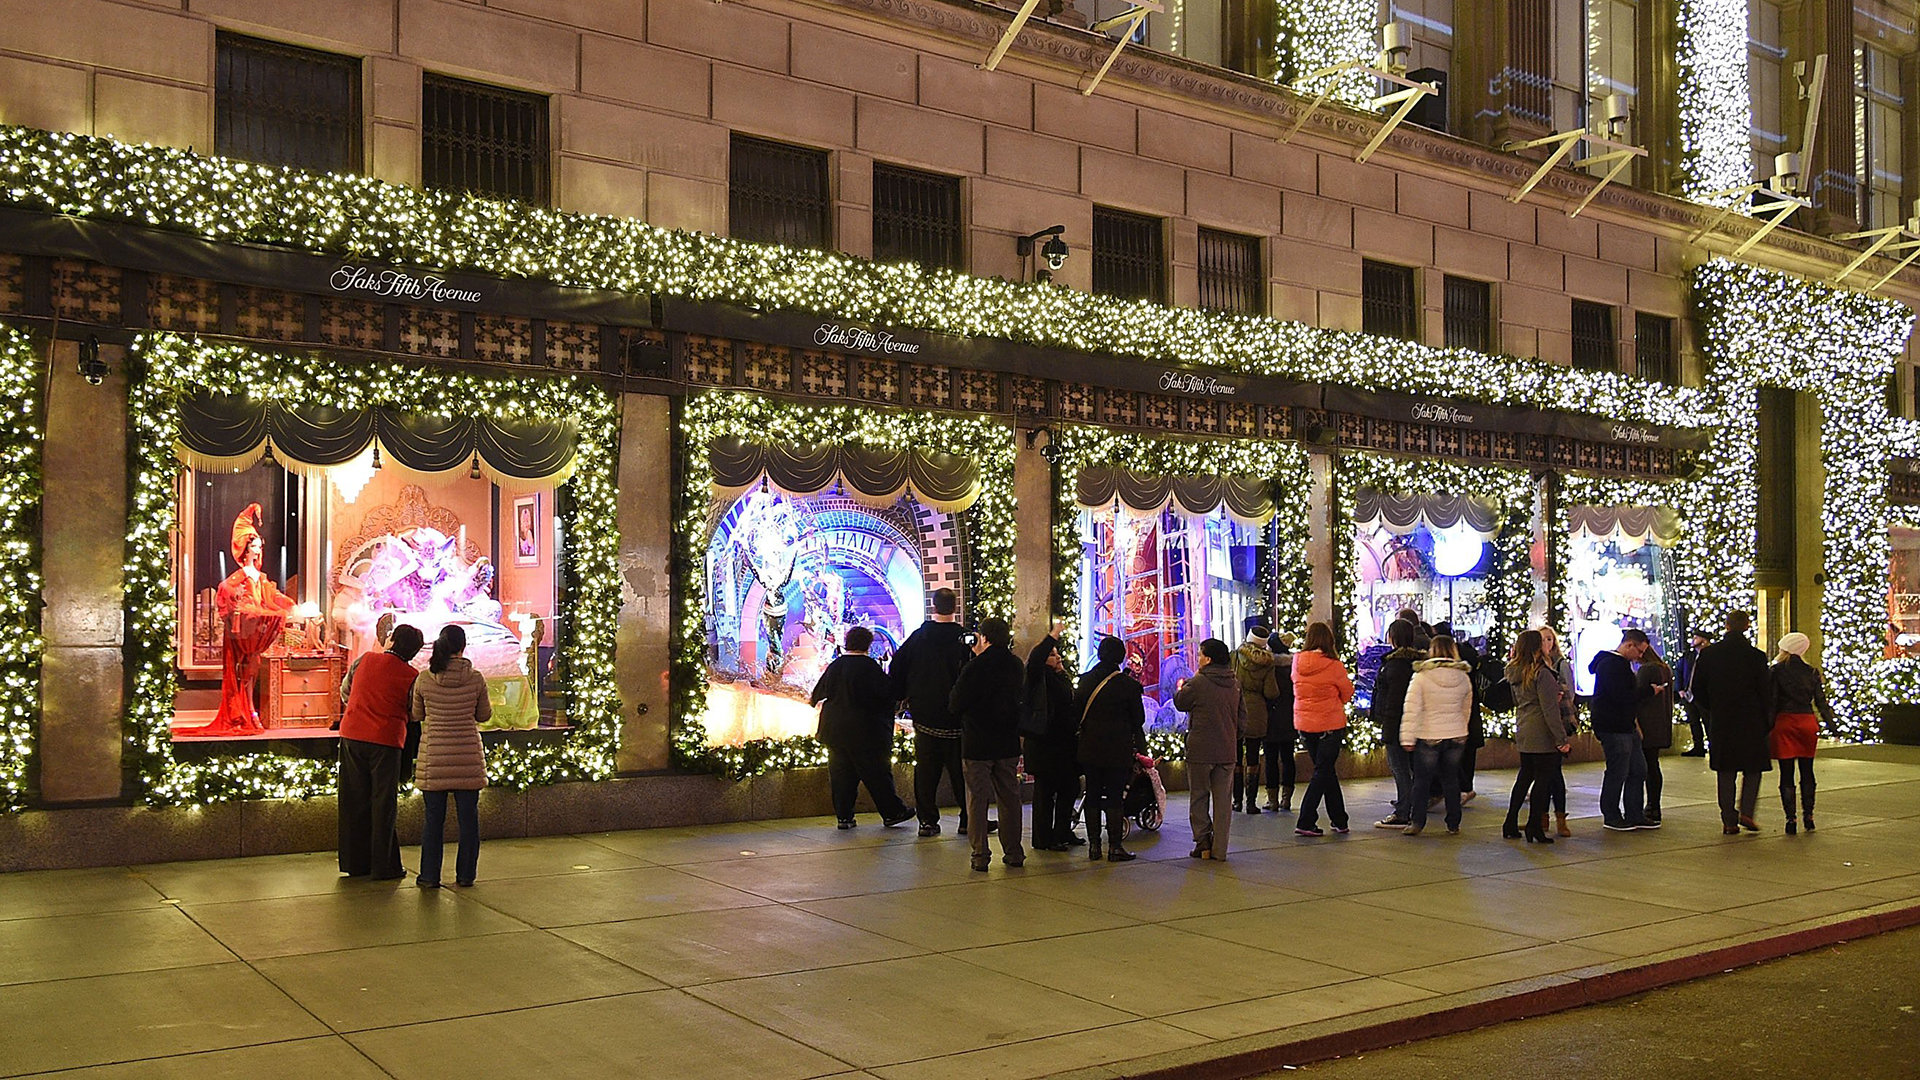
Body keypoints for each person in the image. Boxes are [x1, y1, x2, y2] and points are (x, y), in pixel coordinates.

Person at [191, 503, 296, 735]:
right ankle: (243, 713)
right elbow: (227, 593)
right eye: (255, 546)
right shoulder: (239, 577)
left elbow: (272, 596)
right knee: (242, 674)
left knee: (251, 673)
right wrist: (243, 608)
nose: (259, 550)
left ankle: (249, 711)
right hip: (243, 633)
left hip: (254, 634)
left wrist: (291, 606)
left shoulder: (259, 576)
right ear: (246, 550)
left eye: (259, 546)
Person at [337, 623, 425, 880]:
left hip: (352, 734)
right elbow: (414, 712)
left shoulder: (364, 660)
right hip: (387, 740)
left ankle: (355, 863)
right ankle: (383, 866)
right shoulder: (412, 675)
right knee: (383, 804)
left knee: (353, 800)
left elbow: (346, 693)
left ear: (392, 640)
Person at [811, 626, 916, 830]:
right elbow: (889, 694)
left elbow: (817, 694)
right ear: (867, 645)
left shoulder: (836, 665)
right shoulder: (869, 667)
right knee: (877, 774)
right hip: (865, 732)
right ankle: (892, 812)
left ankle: (844, 817)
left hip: (835, 731)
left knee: (841, 776)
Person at [890, 587, 974, 837]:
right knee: (962, 771)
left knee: (926, 771)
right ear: (955, 606)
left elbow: (898, 665)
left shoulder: (918, 637)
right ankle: (968, 819)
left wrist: (903, 695)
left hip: (925, 714)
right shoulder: (965, 639)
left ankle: (927, 820)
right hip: (957, 717)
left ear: (933, 605)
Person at [412, 625, 489, 888]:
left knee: (433, 821)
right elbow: (483, 715)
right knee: (469, 821)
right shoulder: (476, 678)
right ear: (463, 647)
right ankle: (466, 875)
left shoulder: (424, 679)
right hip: (467, 756)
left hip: (435, 758)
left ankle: (430, 876)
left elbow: (417, 714)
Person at [948, 618, 1027, 871]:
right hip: (1007, 741)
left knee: (977, 800)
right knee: (1010, 799)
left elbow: (955, 703)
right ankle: (1014, 851)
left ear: (984, 637)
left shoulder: (975, 668)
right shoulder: (1015, 665)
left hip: (977, 743)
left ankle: (980, 855)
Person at [1690, 611, 1774, 835]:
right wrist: (1767, 719)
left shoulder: (1709, 655)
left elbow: (1697, 689)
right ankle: (1747, 810)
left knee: (1725, 770)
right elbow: (1765, 691)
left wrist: (1712, 709)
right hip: (1751, 720)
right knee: (1753, 768)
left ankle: (1728, 819)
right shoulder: (1756, 656)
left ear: (1726, 626)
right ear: (1747, 626)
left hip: (1722, 719)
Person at [1075, 636, 1149, 863]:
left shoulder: (1085, 682)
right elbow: (1139, 718)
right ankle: (1115, 846)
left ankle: (1094, 846)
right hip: (1118, 749)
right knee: (1115, 797)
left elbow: (1076, 714)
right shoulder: (1128, 685)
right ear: (1121, 657)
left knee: (1093, 794)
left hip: (1090, 748)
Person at [1175, 638, 1243, 860]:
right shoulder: (1234, 684)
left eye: (1200, 654)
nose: (1198, 657)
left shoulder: (1198, 682)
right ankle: (1220, 849)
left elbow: (1180, 702)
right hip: (1227, 750)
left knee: (1199, 796)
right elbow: (1243, 720)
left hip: (1201, 750)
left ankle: (1203, 842)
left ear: (1209, 658)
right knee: (1223, 801)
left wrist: (1181, 687)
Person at [1400, 634, 1472, 836]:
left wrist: (1407, 737)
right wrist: (1461, 728)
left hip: (1429, 734)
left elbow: (1412, 709)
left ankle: (1417, 822)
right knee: (1451, 780)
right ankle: (1453, 823)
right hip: (1456, 734)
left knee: (1422, 781)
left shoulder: (1421, 677)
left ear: (1432, 650)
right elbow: (1466, 709)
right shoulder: (1463, 677)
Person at [1503, 630, 1572, 844]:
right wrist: (1561, 739)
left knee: (1525, 776)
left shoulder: (1514, 671)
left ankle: (1510, 822)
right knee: (1543, 778)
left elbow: (1520, 700)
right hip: (1541, 730)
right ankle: (1535, 825)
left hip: (1524, 726)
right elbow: (1549, 710)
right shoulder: (1542, 673)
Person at [1588, 627, 1655, 831]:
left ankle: (1634, 813)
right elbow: (1622, 696)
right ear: (1629, 644)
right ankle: (1611, 814)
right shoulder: (1611, 664)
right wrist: (1649, 690)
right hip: (1613, 726)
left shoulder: (1620, 665)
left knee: (1638, 769)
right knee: (1618, 770)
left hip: (1626, 726)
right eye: (1640, 651)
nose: (1640, 656)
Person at [1291, 621, 1355, 837]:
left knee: (1326, 770)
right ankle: (1306, 820)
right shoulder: (1333, 665)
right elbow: (1347, 693)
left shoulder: (1297, 662)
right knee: (1322, 772)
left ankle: (1339, 819)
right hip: (1329, 724)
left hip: (1305, 725)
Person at [1769, 632, 1832, 835]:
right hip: (1806, 722)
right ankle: (1809, 816)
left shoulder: (1776, 671)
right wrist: (1831, 724)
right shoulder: (1812, 672)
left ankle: (1791, 819)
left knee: (1786, 774)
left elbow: (1772, 701)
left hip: (1785, 722)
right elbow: (1821, 702)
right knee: (1808, 770)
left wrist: (1766, 725)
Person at [1023, 633, 1081, 851]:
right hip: (1044, 745)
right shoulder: (1037, 677)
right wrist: (1051, 637)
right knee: (1045, 794)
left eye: (1057, 654)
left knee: (1070, 787)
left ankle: (1063, 830)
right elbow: (1036, 659)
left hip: (1065, 745)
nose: (1057, 658)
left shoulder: (1060, 678)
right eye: (1052, 654)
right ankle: (1044, 838)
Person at [1371, 619, 1425, 829]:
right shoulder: (1417, 665)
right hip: (1416, 723)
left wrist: (1385, 723)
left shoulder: (1393, 666)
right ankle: (1411, 805)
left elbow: (1392, 701)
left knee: (1400, 768)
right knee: (1413, 769)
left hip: (1397, 724)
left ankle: (1404, 810)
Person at [1430, 621, 1484, 804]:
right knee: (1461, 760)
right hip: (1463, 723)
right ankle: (1459, 800)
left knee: (1446, 766)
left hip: (1446, 724)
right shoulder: (1465, 669)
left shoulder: (1431, 673)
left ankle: (1445, 796)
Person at [1230, 625, 1279, 814]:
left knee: (1235, 757)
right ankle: (1251, 803)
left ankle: (1236, 801)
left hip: (1235, 709)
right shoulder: (1268, 663)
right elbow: (1271, 692)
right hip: (1257, 712)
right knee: (1253, 757)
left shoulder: (1234, 656)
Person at [1539, 625, 1576, 836]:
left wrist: (1558, 693)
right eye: (1542, 640)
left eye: (1549, 639)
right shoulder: (1536, 665)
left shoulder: (1560, 664)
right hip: (1541, 725)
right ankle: (1542, 818)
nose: (1546, 643)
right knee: (1542, 775)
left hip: (1558, 720)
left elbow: (1569, 690)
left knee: (1554, 773)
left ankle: (1560, 818)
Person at [1636, 641, 1675, 823]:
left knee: (1647, 766)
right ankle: (1654, 805)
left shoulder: (1647, 670)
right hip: (1661, 723)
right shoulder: (1664, 668)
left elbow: (1640, 695)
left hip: (1647, 724)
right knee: (1653, 764)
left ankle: (1651, 806)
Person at [1262, 632, 1298, 811]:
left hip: (1271, 718)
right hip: (1290, 717)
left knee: (1271, 759)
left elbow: (1269, 692)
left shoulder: (1268, 668)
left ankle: (1273, 799)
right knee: (1288, 758)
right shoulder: (1294, 667)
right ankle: (1287, 799)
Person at [1677, 629, 1713, 756]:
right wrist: (1680, 689)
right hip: (1688, 694)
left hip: (1704, 696)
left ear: (1703, 641)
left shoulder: (1711, 656)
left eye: (1696, 638)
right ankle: (1698, 747)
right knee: (1693, 721)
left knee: (1708, 721)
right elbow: (1679, 671)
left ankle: (1712, 746)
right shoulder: (1688, 656)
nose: (1693, 640)